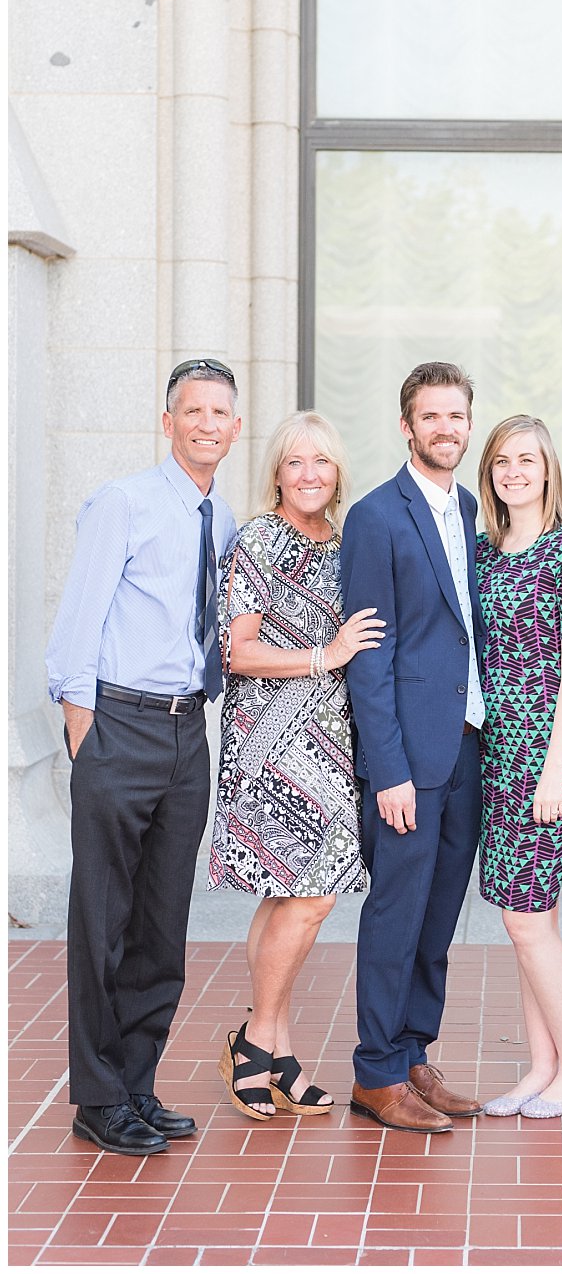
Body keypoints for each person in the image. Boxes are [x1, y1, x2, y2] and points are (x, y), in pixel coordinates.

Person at [46, 358, 242, 1156]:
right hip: (119, 727)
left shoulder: (222, 518)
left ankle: (135, 1084)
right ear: (169, 423)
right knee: (104, 921)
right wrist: (84, 734)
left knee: (163, 925)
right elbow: (76, 629)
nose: (206, 424)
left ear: (234, 426)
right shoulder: (122, 504)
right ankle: (96, 1098)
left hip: (186, 733)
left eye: (219, 413)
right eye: (191, 411)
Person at [210, 411, 382, 1121]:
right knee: (309, 899)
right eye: (294, 462)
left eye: (322, 461)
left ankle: (273, 1049)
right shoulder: (258, 539)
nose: (309, 473)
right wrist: (324, 656)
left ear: (337, 473)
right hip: (269, 742)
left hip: (329, 742)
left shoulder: (345, 546)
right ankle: (256, 1044)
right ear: (276, 472)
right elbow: (236, 651)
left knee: (290, 898)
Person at [338, 361, 489, 1134]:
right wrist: (387, 768)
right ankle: (374, 1073)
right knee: (397, 911)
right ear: (407, 426)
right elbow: (369, 654)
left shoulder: (472, 509)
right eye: (431, 417)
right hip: (408, 761)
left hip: (469, 744)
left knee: (439, 915)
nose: (445, 429)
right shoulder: (375, 516)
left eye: (456, 416)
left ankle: (412, 1051)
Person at [471, 415, 562, 1118]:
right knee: (529, 917)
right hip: (499, 751)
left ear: (548, 469)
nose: (514, 471)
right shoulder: (488, 553)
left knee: (527, 921)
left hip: (548, 753)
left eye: (527, 459)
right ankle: (542, 1066)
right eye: (502, 461)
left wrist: (553, 769)